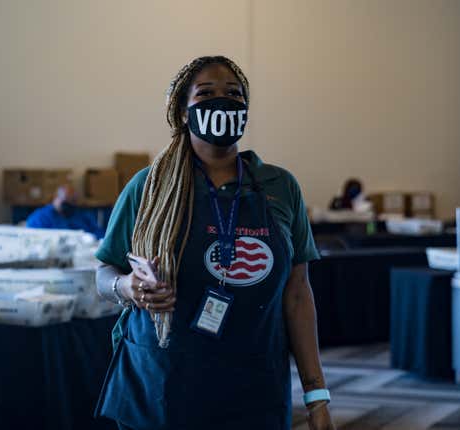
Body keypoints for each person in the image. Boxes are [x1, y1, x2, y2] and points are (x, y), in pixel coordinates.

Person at [94, 56, 334, 430]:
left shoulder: (279, 187)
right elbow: (104, 272)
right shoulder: (150, 187)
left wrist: (316, 393)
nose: (222, 102)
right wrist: (128, 287)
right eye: (206, 93)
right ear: (183, 111)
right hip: (164, 383)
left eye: (233, 94)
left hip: (253, 384)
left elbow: (298, 294)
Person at [26, 185, 104, 239]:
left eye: (73, 201)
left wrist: (91, 238)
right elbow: (33, 237)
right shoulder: (40, 217)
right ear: (56, 198)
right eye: (66, 201)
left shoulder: (82, 215)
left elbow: (99, 233)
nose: (69, 204)